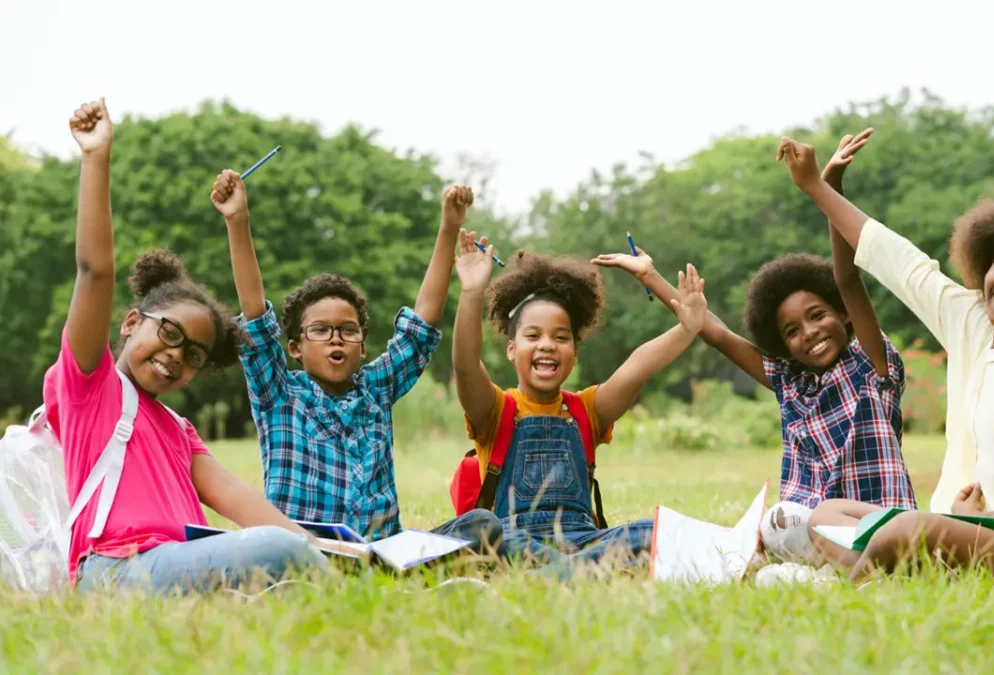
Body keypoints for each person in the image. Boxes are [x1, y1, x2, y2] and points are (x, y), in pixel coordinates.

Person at [593, 130, 916, 564]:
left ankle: (851, 566)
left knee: (782, 526)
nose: (810, 332)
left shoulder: (871, 367)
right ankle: (807, 569)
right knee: (777, 526)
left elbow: (847, 278)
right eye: (792, 331)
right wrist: (650, 275)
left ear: (842, 314)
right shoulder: (791, 385)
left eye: (818, 316)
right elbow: (714, 331)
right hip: (807, 535)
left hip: (878, 528)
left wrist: (827, 187)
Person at [49, 99, 327, 595]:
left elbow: (236, 497)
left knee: (288, 549)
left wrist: (320, 546)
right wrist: (96, 158)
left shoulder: (178, 429)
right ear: (132, 322)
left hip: (176, 564)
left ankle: (342, 574)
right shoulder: (91, 386)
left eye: (194, 354)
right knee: (281, 553)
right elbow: (95, 272)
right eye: (170, 334)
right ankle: (346, 590)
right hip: (116, 570)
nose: (177, 354)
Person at [780, 134, 994, 581]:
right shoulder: (974, 321)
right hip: (963, 527)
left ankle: (844, 583)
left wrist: (992, 519)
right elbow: (899, 262)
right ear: (986, 263)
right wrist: (820, 190)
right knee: (828, 514)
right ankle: (885, 574)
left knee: (904, 529)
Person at [213, 169, 502, 556]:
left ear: (363, 347)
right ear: (295, 347)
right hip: (307, 551)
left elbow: (422, 325)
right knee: (271, 551)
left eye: (348, 331)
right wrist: (237, 221)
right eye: (321, 330)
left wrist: (449, 226)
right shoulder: (279, 393)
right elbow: (254, 315)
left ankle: (409, 570)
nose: (336, 337)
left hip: (382, 551)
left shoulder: (376, 388)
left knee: (483, 524)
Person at [451, 230, 707, 572]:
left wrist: (686, 329)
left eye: (561, 337)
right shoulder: (496, 410)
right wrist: (471, 292)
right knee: (485, 529)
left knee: (654, 530)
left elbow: (637, 367)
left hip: (583, 539)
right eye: (532, 335)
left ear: (574, 353)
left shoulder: (587, 410)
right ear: (511, 350)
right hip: (516, 538)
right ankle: (585, 570)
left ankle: (565, 571)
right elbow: (466, 363)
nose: (547, 344)